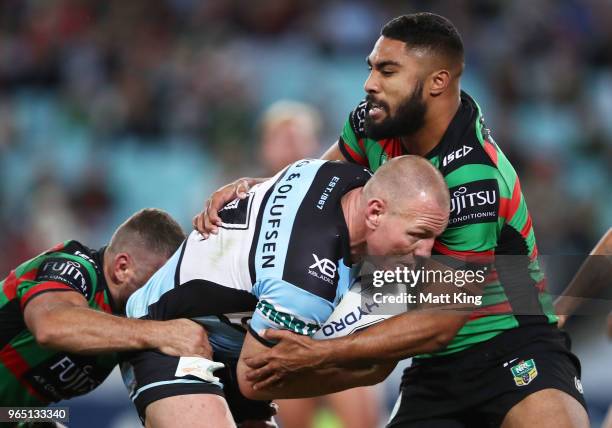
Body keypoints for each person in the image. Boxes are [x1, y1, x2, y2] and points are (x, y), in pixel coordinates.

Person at [196, 13, 589, 428]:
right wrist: (253, 189)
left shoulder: (473, 174)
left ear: (437, 82)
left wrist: (323, 352)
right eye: (371, 68)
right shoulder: (372, 123)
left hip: (515, 339)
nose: (370, 83)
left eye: (387, 70)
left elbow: (440, 322)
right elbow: (314, 193)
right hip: (432, 362)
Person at [121, 156, 450, 428]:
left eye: (434, 237)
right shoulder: (306, 282)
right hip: (171, 334)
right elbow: (254, 379)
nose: (425, 251)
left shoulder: (342, 174)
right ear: (375, 212)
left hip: (234, 338)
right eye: (418, 235)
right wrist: (359, 371)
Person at [0, 208, 211, 409]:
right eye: (159, 281)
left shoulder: (127, 324)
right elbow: (50, 326)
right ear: (122, 268)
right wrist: (161, 333)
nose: (166, 293)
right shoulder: (75, 268)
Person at [256, 100, 381, 428]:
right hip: (280, 333)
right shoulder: (248, 203)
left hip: (341, 331)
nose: (290, 145)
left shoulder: (348, 192)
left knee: (361, 419)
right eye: (280, 137)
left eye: (298, 136)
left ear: (315, 144)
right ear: (265, 147)